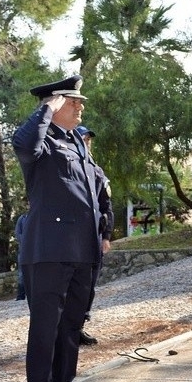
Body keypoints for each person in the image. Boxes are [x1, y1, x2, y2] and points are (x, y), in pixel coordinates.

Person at [11, 74, 102, 382]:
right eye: (73, 100)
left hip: (83, 248)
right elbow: (23, 143)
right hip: (48, 249)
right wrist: (46, 108)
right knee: (47, 326)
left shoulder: (77, 141)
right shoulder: (40, 140)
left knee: (71, 325)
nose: (80, 106)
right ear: (55, 104)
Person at [74, 126, 113, 346]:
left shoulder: (96, 170)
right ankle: (68, 328)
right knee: (74, 286)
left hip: (94, 237)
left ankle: (79, 326)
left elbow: (107, 205)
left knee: (89, 285)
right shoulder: (69, 165)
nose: (87, 142)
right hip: (75, 237)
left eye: (88, 139)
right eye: (83, 138)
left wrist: (106, 236)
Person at [14, 212, 27, 301]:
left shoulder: (39, 216)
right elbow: (17, 234)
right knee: (21, 274)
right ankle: (21, 295)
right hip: (23, 250)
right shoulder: (22, 218)